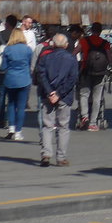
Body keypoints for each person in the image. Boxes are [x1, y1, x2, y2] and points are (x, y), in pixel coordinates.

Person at [34, 32, 78, 167]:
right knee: (63, 126)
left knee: (47, 126)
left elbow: (41, 75)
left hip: (47, 95)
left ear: (52, 44)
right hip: (64, 96)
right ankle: (61, 157)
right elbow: (72, 79)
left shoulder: (45, 58)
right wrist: (59, 94)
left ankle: (46, 154)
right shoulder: (71, 59)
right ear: (66, 45)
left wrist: (50, 92)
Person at [76, 22, 111, 131]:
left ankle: (84, 116)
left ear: (91, 30)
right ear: (100, 31)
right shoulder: (105, 43)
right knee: (97, 97)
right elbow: (110, 58)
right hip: (100, 73)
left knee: (84, 94)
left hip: (86, 70)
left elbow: (74, 52)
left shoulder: (84, 41)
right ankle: (93, 122)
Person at [0, 28, 34, 140]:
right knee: (21, 106)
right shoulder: (28, 49)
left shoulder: (7, 49)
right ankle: (18, 132)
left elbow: (3, 66)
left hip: (10, 79)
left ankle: (11, 128)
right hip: (24, 79)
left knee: (11, 104)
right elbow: (31, 64)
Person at [0, 15, 17, 129]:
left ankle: (0, 119)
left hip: (1, 69)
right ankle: (10, 119)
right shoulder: (17, 36)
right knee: (12, 96)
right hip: (14, 69)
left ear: (6, 23)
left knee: (2, 94)